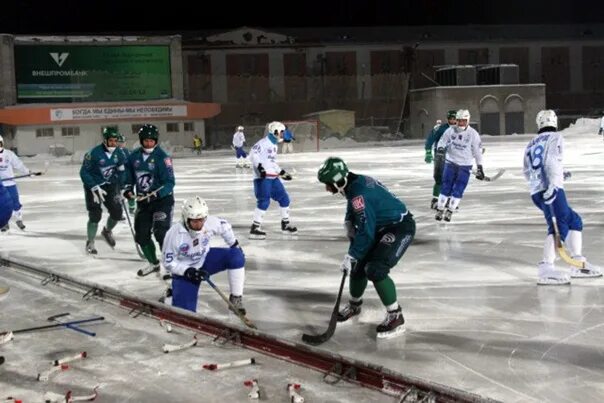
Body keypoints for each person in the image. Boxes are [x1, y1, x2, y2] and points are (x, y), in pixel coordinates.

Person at [317, 157, 415, 338]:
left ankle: (396, 315)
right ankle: (354, 306)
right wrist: (348, 220)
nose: (327, 189)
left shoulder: (359, 194)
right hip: (380, 225)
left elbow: (366, 231)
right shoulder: (355, 182)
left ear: (339, 180)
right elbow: (352, 201)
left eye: (329, 184)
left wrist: (351, 255)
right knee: (357, 265)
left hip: (399, 227)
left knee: (375, 269)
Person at [523, 110, 602, 285]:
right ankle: (546, 268)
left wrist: (557, 176)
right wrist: (553, 183)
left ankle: (577, 262)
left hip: (537, 191)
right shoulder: (555, 138)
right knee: (559, 227)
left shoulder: (531, 143)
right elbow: (551, 160)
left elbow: (528, 171)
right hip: (552, 190)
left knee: (574, 221)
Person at [162, 196, 246, 314]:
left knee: (236, 256)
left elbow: (224, 227)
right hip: (185, 272)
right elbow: (168, 262)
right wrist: (188, 271)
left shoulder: (209, 222)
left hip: (204, 260)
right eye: (195, 221)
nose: (199, 224)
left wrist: (234, 244)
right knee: (186, 314)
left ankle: (236, 298)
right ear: (186, 219)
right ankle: (170, 296)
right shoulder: (174, 234)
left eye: (201, 220)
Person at [123, 124, 176, 273]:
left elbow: (170, 182)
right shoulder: (133, 157)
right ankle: (153, 263)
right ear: (141, 140)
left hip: (162, 202)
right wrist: (127, 189)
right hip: (143, 202)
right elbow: (129, 178)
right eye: (146, 141)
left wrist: (156, 194)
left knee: (161, 233)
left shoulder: (163, 158)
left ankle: (171, 267)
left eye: (151, 141)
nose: (149, 144)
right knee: (141, 235)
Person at [79, 128, 127, 253]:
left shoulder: (119, 154)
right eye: (111, 140)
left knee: (117, 213)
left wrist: (122, 187)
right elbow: (84, 172)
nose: (113, 143)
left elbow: (122, 171)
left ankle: (106, 231)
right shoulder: (94, 153)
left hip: (110, 186)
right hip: (94, 187)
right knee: (95, 215)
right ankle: (90, 241)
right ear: (105, 140)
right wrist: (93, 186)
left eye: (115, 141)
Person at [248, 121, 297, 239]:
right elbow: (253, 154)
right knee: (264, 201)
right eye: (281, 132)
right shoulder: (263, 143)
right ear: (275, 132)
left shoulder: (274, 145)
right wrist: (260, 167)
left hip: (273, 177)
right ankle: (255, 228)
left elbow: (271, 162)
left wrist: (281, 172)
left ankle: (285, 225)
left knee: (284, 199)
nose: (283, 134)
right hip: (262, 178)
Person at [434, 109, 484, 222]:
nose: (461, 123)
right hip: (450, 163)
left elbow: (477, 151)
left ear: (468, 121)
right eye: (459, 121)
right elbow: (442, 141)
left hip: (465, 165)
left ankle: (450, 211)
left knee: (459, 189)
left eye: (463, 121)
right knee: (446, 186)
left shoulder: (473, 134)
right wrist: (441, 149)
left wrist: (480, 167)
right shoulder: (450, 130)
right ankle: (440, 209)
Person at [424, 110, 457, 209]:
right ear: (448, 119)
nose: (453, 121)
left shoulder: (460, 130)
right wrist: (428, 152)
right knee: (439, 178)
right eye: (451, 119)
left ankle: (448, 200)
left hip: (454, 157)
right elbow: (430, 140)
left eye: (454, 119)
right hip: (440, 156)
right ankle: (435, 199)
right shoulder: (441, 129)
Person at [0, 133, 31, 231]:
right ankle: (5, 223)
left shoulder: (9, 154)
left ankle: (19, 220)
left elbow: (18, 164)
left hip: (10, 184)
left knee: (15, 204)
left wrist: (27, 172)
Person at [117, 133, 136, 215]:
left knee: (130, 194)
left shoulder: (128, 152)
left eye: (122, 142)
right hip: (118, 179)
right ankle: (119, 212)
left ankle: (132, 210)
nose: (121, 144)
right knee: (118, 196)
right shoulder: (113, 153)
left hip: (128, 178)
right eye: (119, 142)